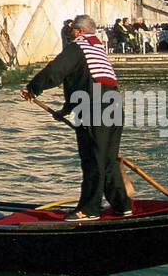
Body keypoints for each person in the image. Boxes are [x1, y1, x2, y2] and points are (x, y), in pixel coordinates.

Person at [20, 14, 132, 221]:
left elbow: (56, 71)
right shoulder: (98, 49)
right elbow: (86, 82)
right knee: (108, 159)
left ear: (79, 31)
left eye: (73, 30)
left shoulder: (78, 46)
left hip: (94, 111)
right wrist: (65, 110)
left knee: (93, 159)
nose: (70, 33)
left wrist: (33, 88)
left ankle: (89, 210)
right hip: (114, 107)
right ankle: (122, 205)